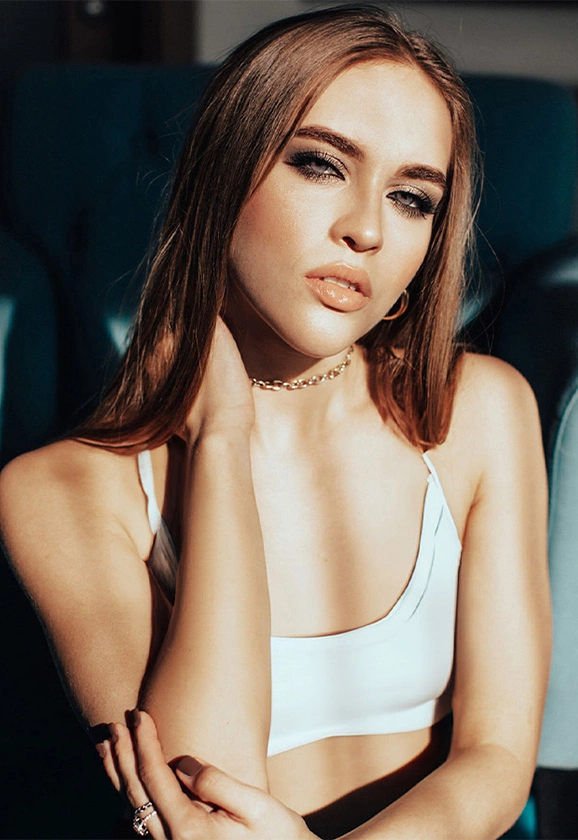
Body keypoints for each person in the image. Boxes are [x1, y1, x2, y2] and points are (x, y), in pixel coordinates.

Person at [0, 5, 551, 839]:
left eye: (411, 198)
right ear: (223, 178)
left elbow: (499, 756)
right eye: (321, 164)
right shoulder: (61, 492)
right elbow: (196, 794)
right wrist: (221, 437)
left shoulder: (478, 411)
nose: (367, 229)